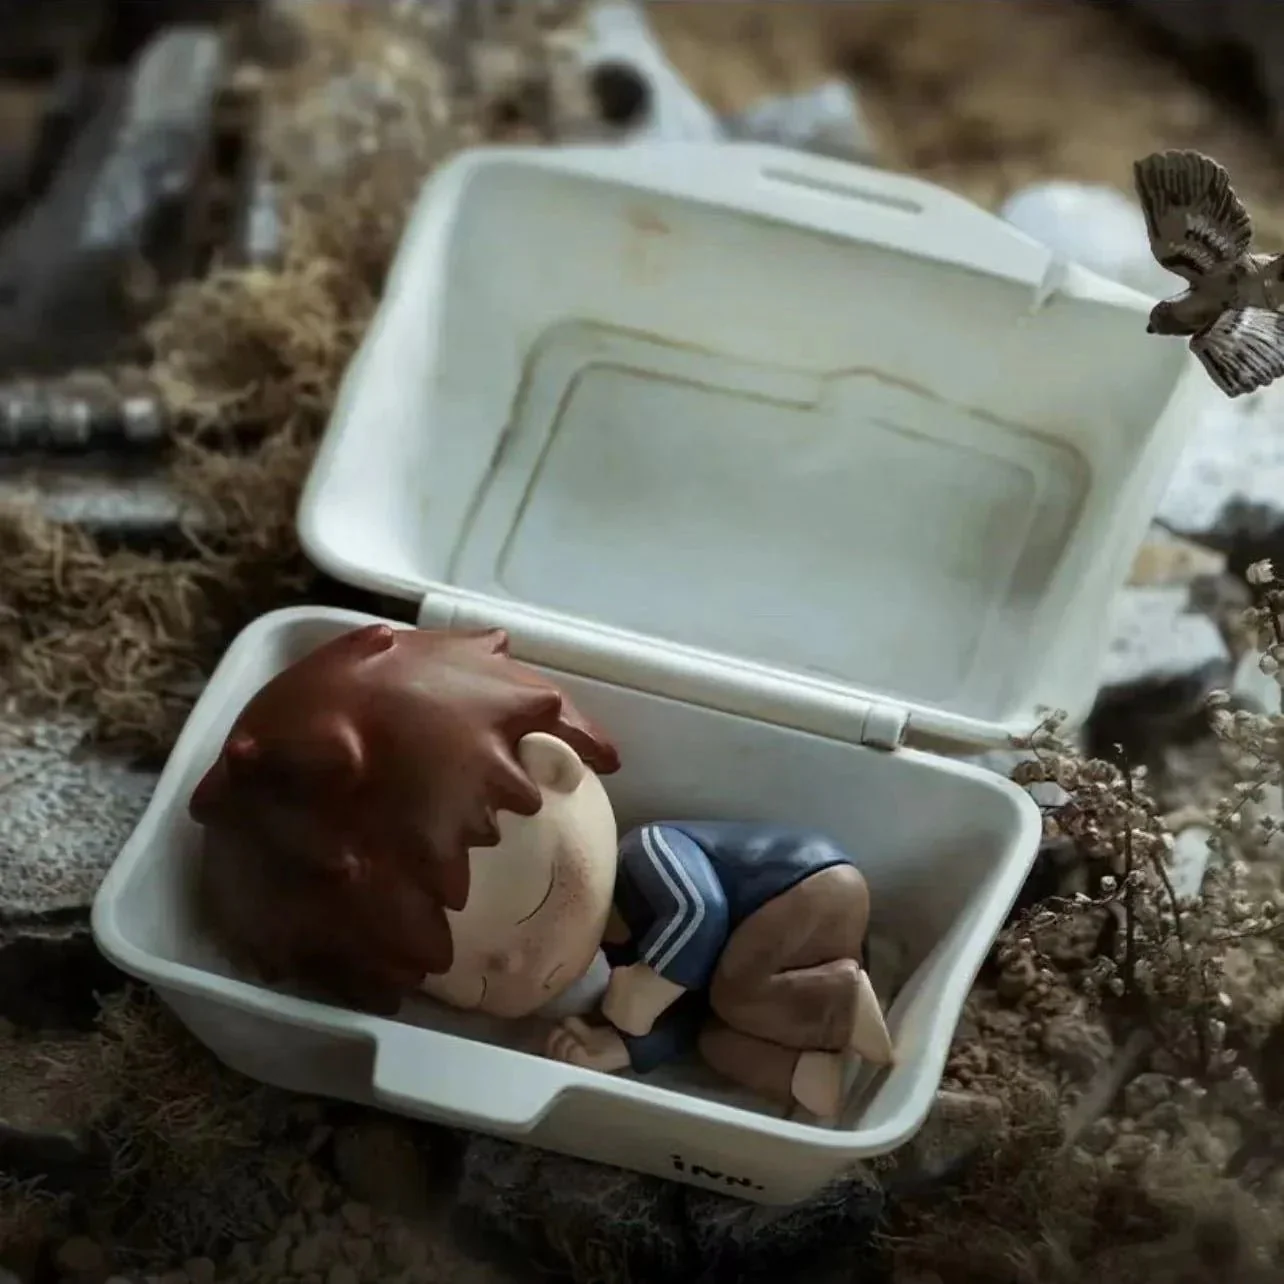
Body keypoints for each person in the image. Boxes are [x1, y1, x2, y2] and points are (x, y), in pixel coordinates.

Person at [191, 623, 893, 1118]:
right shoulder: (618, 956)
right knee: (714, 1039)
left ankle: (836, 999)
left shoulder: (651, 857)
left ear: (555, 767)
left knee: (737, 994)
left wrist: (656, 983)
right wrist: (616, 1052)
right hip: (757, 963)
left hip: (806, 892)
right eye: (479, 982)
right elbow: (677, 1020)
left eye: (543, 903)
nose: (520, 965)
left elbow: (702, 913)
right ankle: (808, 1075)